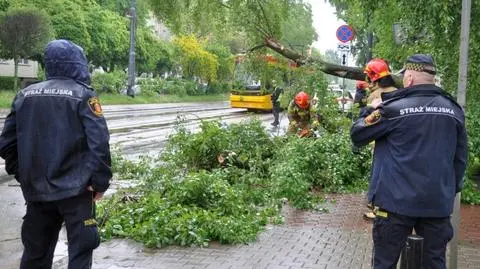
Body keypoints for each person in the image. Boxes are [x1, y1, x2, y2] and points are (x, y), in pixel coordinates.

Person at [0, 39, 112, 269]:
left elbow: (6, 143)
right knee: (81, 251)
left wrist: (25, 175)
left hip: (37, 191)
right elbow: (99, 143)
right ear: (77, 62)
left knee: (35, 254)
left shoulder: (24, 95)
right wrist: (99, 183)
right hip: (77, 190)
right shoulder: (84, 95)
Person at [350, 54, 468, 269]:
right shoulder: (454, 111)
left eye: (405, 77)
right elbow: (460, 160)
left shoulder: (393, 109)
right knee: (434, 263)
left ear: (411, 78)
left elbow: (358, 135)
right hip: (436, 205)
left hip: (394, 205)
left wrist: (371, 109)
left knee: (385, 263)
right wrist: (448, 191)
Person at [360, 58, 398, 220]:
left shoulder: (375, 96)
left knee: (379, 173)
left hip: (379, 140)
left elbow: (369, 123)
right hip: (395, 140)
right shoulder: (396, 91)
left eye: (368, 76)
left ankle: (377, 209)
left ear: (373, 77)